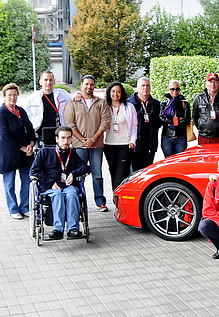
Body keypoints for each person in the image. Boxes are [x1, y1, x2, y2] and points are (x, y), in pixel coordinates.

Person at [29, 126, 90, 239]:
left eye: (68, 138)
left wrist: (73, 174)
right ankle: (58, 229)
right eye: (62, 138)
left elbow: (86, 168)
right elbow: (33, 172)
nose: (66, 141)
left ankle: (73, 228)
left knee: (72, 193)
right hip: (49, 187)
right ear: (56, 139)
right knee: (58, 195)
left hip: (67, 186)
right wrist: (50, 183)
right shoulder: (44, 152)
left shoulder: (73, 154)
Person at [64, 75, 111, 212]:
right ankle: (78, 200)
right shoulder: (73, 102)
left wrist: (93, 139)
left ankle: (100, 202)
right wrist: (83, 140)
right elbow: (70, 123)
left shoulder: (101, 103)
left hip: (96, 145)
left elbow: (105, 122)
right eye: (86, 84)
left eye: (91, 84)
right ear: (81, 85)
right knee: (79, 174)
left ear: (94, 86)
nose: (89, 87)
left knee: (97, 175)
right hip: (79, 146)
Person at [0, 83, 36, 219]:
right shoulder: (1, 113)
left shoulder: (21, 110)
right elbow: (4, 136)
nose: (12, 97)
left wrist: (31, 144)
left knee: (27, 181)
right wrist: (23, 148)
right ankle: (13, 209)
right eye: (9, 95)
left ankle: (24, 207)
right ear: (4, 96)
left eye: (15, 95)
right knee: (9, 183)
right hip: (8, 154)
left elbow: (29, 128)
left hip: (25, 153)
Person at [103, 82, 138, 191]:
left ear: (122, 93)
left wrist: (133, 140)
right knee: (113, 173)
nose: (116, 94)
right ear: (109, 93)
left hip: (125, 145)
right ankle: (116, 199)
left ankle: (121, 197)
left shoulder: (129, 107)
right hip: (109, 144)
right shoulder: (104, 106)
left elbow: (134, 125)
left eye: (118, 91)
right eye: (113, 91)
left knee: (121, 174)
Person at [24, 70, 72, 144]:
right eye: (45, 80)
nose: (48, 82)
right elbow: (27, 117)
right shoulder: (32, 99)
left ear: (54, 82)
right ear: (40, 82)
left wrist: (78, 93)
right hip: (40, 135)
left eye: (50, 80)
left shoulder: (62, 94)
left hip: (59, 134)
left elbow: (74, 97)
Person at [127, 77, 162, 171]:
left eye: (147, 86)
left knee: (147, 171)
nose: (145, 88)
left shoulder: (156, 104)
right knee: (134, 172)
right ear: (137, 87)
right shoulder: (129, 104)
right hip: (134, 144)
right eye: (143, 85)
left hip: (150, 144)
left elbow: (159, 122)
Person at [193, 73, 219, 144]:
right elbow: (195, 117)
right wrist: (201, 127)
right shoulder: (199, 99)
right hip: (204, 137)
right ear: (206, 83)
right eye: (210, 82)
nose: (213, 84)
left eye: (215, 82)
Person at [159, 80, 191, 157]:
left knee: (180, 162)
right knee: (168, 161)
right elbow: (160, 118)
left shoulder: (184, 103)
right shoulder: (164, 104)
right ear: (168, 90)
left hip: (181, 137)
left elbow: (187, 119)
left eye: (177, 89)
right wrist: (175, 121)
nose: (175, 91)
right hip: (167, 136)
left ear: (179, 90)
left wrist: (173, 123)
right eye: (172, 89)